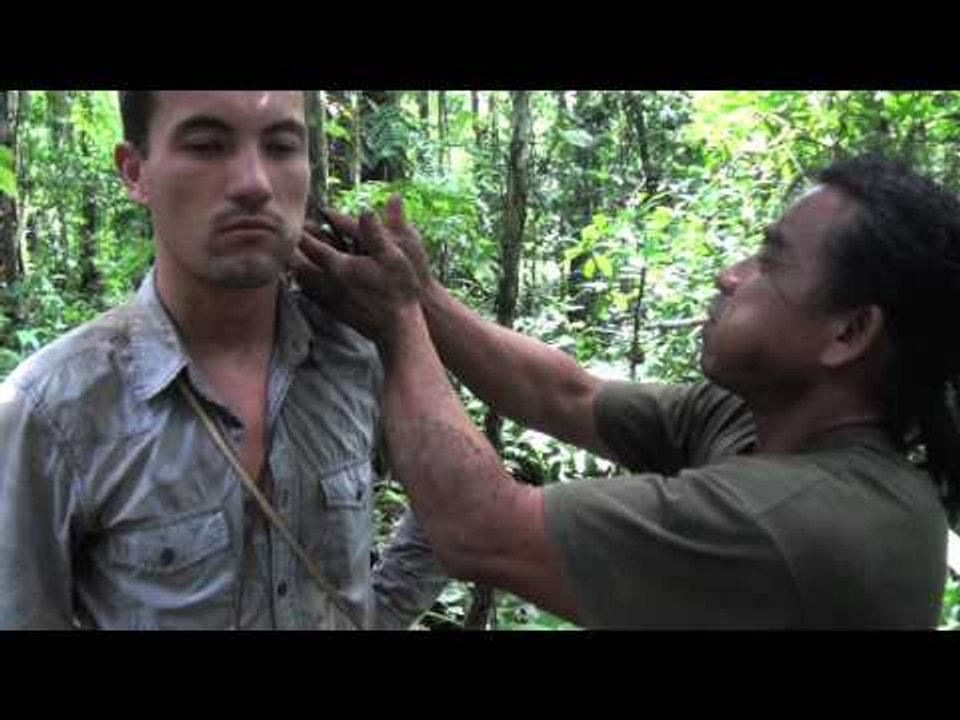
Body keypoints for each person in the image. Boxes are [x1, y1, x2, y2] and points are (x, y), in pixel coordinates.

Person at [292, 154, 960, 628]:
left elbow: (479, 528)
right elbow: (564, 394)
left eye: (770, 259)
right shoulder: (760, 418)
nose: (731, 276)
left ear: (849, 332)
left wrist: (399, 322)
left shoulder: (810, 521)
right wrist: (424, 295)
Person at [0, 91, 446, 630]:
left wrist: (378, 614)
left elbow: (449, 508)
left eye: (282, 146)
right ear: (135, 171)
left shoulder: (357, 355)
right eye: (208, 145)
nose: (255, 183)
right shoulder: (52, 411)